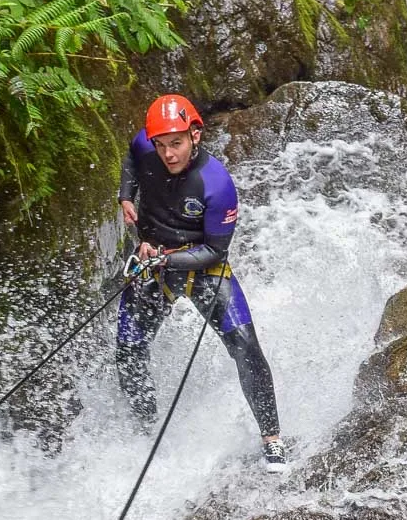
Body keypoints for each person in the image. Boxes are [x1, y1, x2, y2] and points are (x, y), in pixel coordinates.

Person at [117, 93, 286, 471]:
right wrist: (126, 195)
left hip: (200, 266)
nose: (168, 154)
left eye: (176, 143)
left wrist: (165, 258)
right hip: (153, 262)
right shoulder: (146, 145)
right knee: (129, 351)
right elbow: (131, 156)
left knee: (245, 346)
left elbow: (214, 251)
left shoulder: (217, 184)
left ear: (195, 135)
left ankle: (272, 440)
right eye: (161, 145)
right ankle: (145, 436)